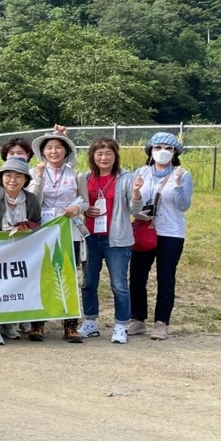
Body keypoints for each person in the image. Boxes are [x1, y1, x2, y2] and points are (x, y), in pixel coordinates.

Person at [129, 133, 193, 341]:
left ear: (175, 152)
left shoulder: (182, 174)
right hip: (144, 230)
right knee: (137, 276)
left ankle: (161, 322)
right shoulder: (141, 173)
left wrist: (179, 184)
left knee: (165, 277)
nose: (162, 151)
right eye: (157, 147)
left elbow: (183, 205)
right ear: (150, 150)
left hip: (171, 233)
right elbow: (133, 204)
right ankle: (138, 318)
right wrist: (137, 195)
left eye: (168, 148)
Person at [80, 138, 144, 345]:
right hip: (90, 237)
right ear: (92, 156)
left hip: (117, 239)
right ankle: (90, 321)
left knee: (119, 284)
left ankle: (120, 325)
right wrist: (86, 210)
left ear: (115, 156)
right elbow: (80, 203)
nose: (104, 158)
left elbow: (135, 210)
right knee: (88, 282)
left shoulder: (125, 178)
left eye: (108, 153)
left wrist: (136, 192)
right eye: (99, 153)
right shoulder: (85, 177)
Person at [28, 129, 89, 342]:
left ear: (66, 151)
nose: (54, 151)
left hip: (68, 229)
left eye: (58, 147)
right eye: (49, 148)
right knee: (42, 274)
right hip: (43, 229)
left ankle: (70, 325)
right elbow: (33, 200)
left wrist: (77, 208)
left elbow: (86, 201)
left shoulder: (76, 175)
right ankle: (38, 323)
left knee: (69, 275)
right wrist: (39, 177)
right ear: (43, 152)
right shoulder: (34, 173)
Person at [0, 158, 42, 345]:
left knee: (15, 287)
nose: (13, 180)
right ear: (1, 177)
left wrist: (27, 228)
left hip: (20, 251)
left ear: (25, 179)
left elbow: (37, 222)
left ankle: (9, 323)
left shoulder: (31, 199)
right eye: (8, 175)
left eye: (19, 176)